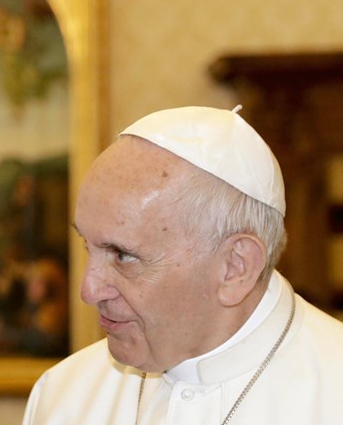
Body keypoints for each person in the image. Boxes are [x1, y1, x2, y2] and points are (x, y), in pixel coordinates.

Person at [22, 106, 343, 424]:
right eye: (86, 245)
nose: (88, 291)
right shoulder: (64, 397)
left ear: (236, 267)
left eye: (123, 255)